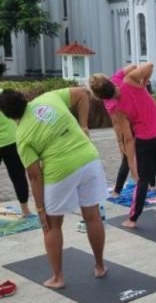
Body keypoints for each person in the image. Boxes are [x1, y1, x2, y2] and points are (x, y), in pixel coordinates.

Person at [0, 88, 107, 288]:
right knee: (92, 215)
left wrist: (40, 209)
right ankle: (100, 266)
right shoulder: (48, 97)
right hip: (89, 158)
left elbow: (34, 176)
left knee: (51, 225)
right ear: (23, 97)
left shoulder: (22, 136)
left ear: (7, 115)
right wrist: (83, 125)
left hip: (61, 171)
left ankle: (58, 278)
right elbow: (84, 94)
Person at [90, 63, 156, 228]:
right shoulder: (129, 80)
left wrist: (131, 165)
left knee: (142, 180)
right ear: (111, 81)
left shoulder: (118, 110)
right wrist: (144, 83)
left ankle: (132, 220)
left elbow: (128, 139)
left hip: (145, 141)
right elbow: (149, 65)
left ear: (102, 98)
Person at [0, 94, 31, 216]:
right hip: (12, 141)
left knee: (18, 176)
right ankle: (25, 210)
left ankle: (25, 209)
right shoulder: (4, 94)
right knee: (18, 176)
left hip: (11, 141)